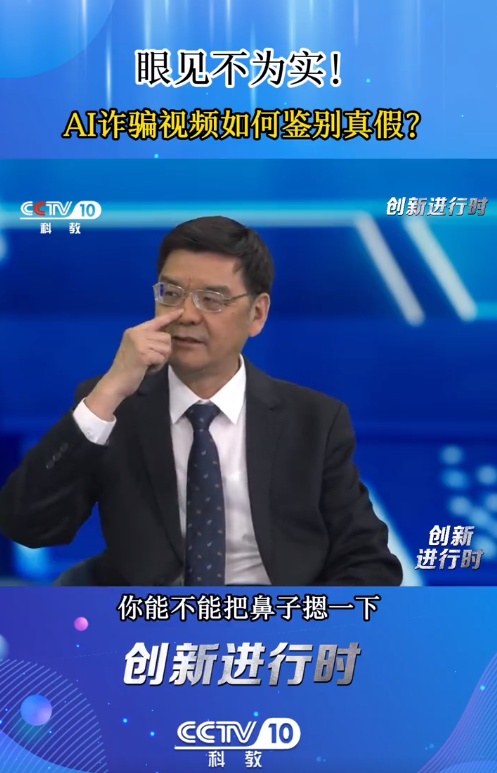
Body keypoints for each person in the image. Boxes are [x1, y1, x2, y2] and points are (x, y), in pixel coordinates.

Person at [0, 216, 402, 586]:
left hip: (271, 623)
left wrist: (303, 626)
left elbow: (368, 560)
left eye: (212, 300)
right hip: (149, 626)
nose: (186, 315)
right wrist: (107, 393)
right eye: (171, 293)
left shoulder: (313, 420)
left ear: (257, 314)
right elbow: (28, 526)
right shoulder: (115, 406)